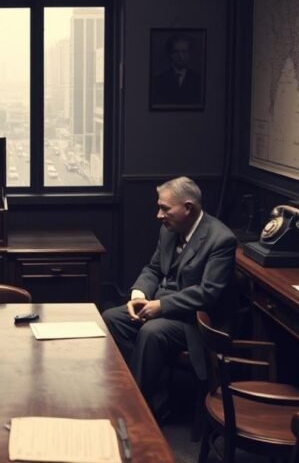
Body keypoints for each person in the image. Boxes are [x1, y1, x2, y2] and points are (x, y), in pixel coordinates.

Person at [101, 177, 235, 423]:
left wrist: (161, 306)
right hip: (159, 306)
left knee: (152, 332)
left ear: (188, 208)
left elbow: (208, 293)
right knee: (111, 318)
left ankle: (137, 413)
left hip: (193, 320)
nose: (158, 215)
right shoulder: (169, 230)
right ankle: (152, 394)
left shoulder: (221, 240)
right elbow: (153, 269)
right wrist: (139, 296)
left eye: (165, 208)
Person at [151, 35, 202, 107]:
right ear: (170, 54)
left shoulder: (198, 80)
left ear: (189, 54)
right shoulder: (158, 80)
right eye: (176, 52)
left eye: (184, 51)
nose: (181, 56)